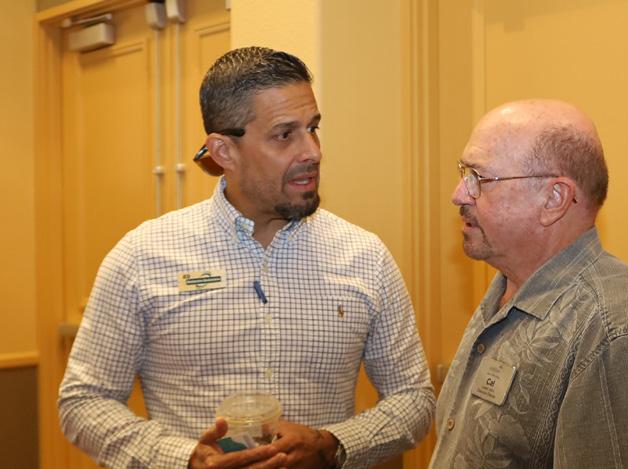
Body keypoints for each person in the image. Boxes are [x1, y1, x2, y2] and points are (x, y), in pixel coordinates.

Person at [59, 46, 434, 469]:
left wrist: (331, 444)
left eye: (313, 128)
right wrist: (184, 459)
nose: (312, 152)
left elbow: (413, 399)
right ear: (223, 152)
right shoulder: (142, 257)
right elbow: (84, 401)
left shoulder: (365, 257)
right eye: (284, 135)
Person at [429, 99, 628, 468]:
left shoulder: (621, 332)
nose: (459, 194)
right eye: (464, 173)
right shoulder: (507, 291)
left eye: (480, 178)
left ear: (554, 199)